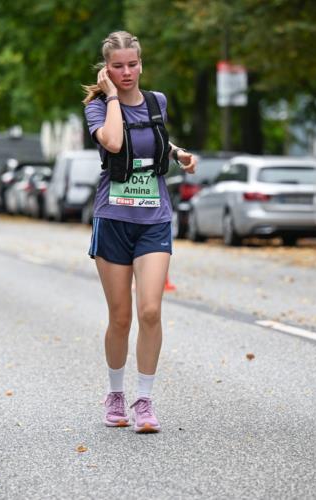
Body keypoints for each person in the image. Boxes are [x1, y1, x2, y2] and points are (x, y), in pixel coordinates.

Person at [83, 31, 196, 433]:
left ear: (141, 64)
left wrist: (177, 153)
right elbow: (114, 142)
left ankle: (144, 401)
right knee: (121, 316)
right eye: (118, 66)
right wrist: (111, 95)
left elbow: (152, 141)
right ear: (107, 70)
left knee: (150, 310)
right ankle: (115, 393)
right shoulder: (98, 108)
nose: (126, 71)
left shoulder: (157, 102)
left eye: (132, 64)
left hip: (154, 218)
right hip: (113, 218)